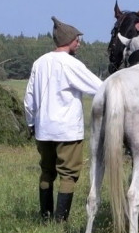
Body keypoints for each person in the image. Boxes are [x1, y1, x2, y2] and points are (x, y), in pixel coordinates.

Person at [24, 17, 104, 221]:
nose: (79, 43)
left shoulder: (39, 63)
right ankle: (60, 221)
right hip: (67, 130)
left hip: (43, 129)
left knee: (46, 172)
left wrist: (31, 123)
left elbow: (29, 99)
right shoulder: (72, 64)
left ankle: (45, 217)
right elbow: (99, 88)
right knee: (68, 175)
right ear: (69, 40)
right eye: (77, 40)